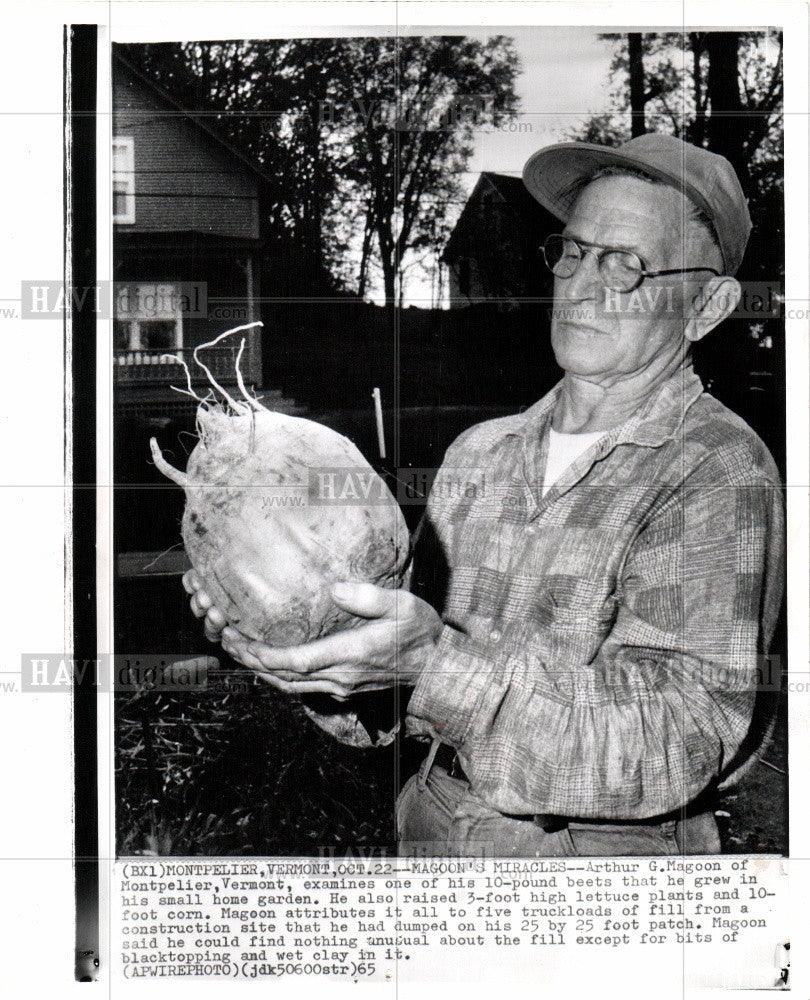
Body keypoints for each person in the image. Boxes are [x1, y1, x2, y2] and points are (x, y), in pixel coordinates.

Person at [184, 133, 784, 857]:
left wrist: (432, 664)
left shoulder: (716, 470)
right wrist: (302, 647)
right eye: (574, 249)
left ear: (707, 305)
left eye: (626, 263)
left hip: (600, 871)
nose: (583, 283)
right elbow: (403, 701)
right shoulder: (480, 455)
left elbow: (674, 741)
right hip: (435, 831)